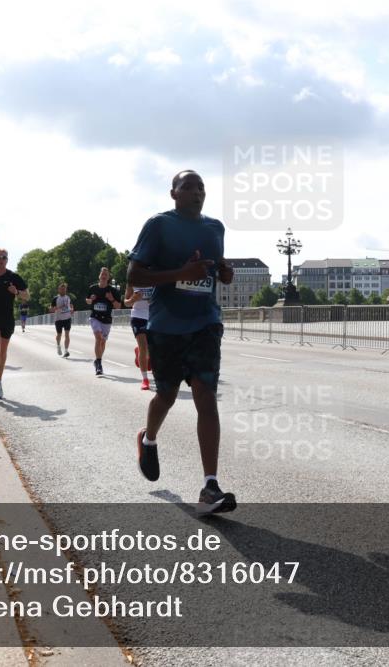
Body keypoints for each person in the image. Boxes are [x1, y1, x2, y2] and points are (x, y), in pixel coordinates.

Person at [127, 169, 237, 514]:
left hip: (205, 323)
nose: (196, 192)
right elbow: (134, 276)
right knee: (167, 395)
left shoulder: (215, 228)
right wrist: (179, 274)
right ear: (173, 193)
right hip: (166, 325)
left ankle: (209, 486)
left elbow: (215, 268)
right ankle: (148, 439)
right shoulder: (158, 225)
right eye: (188, 186)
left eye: (201, 186)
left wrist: (224, 272)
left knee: (206, 394)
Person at [0, 248, 28, 399]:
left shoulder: (13, 277)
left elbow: (27, 296)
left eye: (3, 257)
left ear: (7, 259)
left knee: (2, 352)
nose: (1, 260)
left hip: (7, 317)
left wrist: (16, 292)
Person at [85, 267, 121, 376]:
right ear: (99, 276)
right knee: (98, 337)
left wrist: (111, 299)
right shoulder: (93, 288)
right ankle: (99, 364)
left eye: (106, 274)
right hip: (95, 317)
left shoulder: (113, 291)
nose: (104, 276)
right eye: (102, 274)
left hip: (107, 319)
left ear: (108, 277)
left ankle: (97, 359)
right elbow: (87, 301)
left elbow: (118, 307)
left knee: (103, 342)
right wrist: (91, 299)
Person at [124, 282, 153, 390]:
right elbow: (126, 302)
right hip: (137, 316)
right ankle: (145, 379)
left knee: (152, 348)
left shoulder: (154, 280)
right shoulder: (133, 282)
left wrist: (154, 300)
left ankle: (141, 354)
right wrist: (132, 300)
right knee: (143, 347)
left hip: (153, 316)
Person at [50, 282, 73, 357]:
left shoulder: (68, 297)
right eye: (62, 289)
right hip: (58, 319)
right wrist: (56, 308)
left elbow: (71, 305)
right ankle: (58, 346)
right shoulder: (55, 298)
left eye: (64, 289)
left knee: (67, 334)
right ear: (59, 290)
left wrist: (72, 309)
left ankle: (66, 351)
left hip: (67, 318)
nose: (63, 290)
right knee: (59, 334)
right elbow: (51, 309)